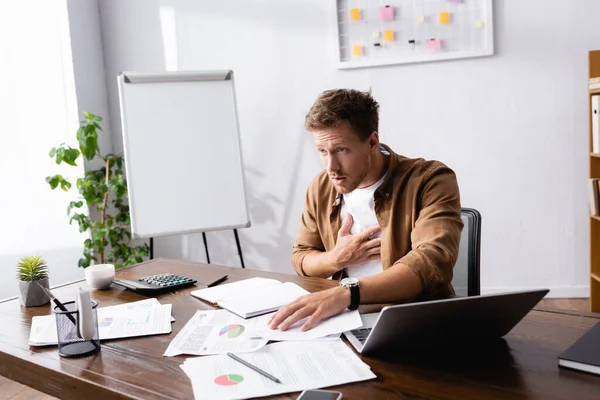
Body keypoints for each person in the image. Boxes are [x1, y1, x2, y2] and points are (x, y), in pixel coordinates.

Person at [268, 88, 464, 332]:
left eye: (341, 150)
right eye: (322, 151)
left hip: (414, 322)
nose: (331, 167)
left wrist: (347, 294)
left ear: (372, 142)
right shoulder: (321, 187)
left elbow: (430, 262)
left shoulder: (430, 180)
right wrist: (337, 258)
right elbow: (301, 257)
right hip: (343, 320)